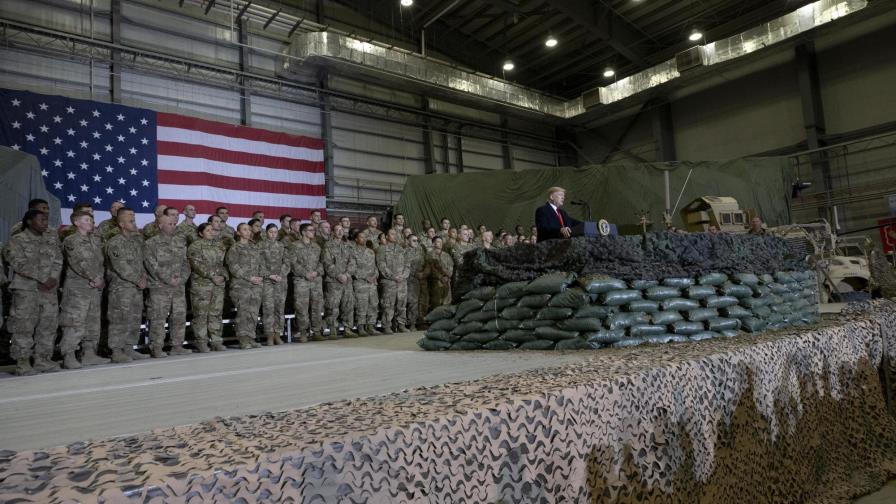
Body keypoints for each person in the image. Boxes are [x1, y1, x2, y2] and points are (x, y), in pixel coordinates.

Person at [7, 209, 64, 375]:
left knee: (48, 325)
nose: (45, 223)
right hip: (26, 290)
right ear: (30, 221)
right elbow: (17, 262)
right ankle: (23, 362)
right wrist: (42, 278)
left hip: (49, 290)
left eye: (46, 220)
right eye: (42, 220)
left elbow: (58, 260)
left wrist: (52, 278)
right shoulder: (18, 240)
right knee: (23, 326)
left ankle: (42, 359)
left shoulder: (50, 240)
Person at [59, 210, 110, 369]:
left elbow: (101, 263)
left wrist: (100, 279)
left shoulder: (95, 240)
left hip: (95, 288)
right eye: (87, 219)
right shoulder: (71, 240)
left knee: (92, 322)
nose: (91, 222)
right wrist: (93, 278)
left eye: (91, 220)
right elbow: (77, 262)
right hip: (78, 288)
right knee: (74, 322)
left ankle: (89, 354)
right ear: (76, 222)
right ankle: (69, 355)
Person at [105, 207, 150, 363]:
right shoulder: (115, 242)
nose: (134, 223)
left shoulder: (136, 241)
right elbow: (120, 266)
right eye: (130, 221)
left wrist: (143, 277)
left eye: (134, 220)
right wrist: (138, 279)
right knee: (119, 319)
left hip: (137, 288)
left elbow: (141, 262)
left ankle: (129, 349)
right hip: (121, 287)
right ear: (122, 224)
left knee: (135, 318)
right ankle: (117, 351)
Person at [143, 215, 191, 358]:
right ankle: (156, 347)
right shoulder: (151, 243)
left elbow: (186, 264)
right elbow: (151, 265)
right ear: (160, 225)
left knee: (179, 316)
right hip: (159, 287)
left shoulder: (180, 242)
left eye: (174, 223)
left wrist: (181, 279)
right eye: (169, 223)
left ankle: (177, 345)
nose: (172, 226)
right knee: (158, 317)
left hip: (178, 287)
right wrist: (168, 279)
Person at [188, 223, 229, 352]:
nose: (211, 232)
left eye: (212, 230)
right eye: (208, 230)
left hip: (217, 285)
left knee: (216, 313)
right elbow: (196, 264)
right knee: (201, 314)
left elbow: (223, 263)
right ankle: (201, 342)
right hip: (202, 285)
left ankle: (216, 341)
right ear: (200, 233)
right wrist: (213, 276)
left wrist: (224, 276)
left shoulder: (219, 246)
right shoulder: (195, 246)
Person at [226, 223, 264, 349]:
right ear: (238, 233)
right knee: (243, 313)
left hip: (255, 285)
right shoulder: (234, 248)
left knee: (253, 312)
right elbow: (233, 267)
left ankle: (251, 337)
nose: (248, 232)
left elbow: (260, 265)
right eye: (244, 229)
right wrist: (249, 277)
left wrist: (260, 277)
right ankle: (243, 339)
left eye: (249, 229)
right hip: (241, 286)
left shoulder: (255, 248)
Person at [289, 223, 324, 341]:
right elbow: (293, 263)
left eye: (313, 230)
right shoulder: (294, 246)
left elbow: (321, 263)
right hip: (301, 280)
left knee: (317, 306)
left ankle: (317, 330)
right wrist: (305, 273)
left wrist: (316, 272)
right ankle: (303, 331)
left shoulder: (317, 246)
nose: (313, 232)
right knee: (301, 306)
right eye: (310, 230)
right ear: (303, 232)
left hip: (315, 280)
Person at [322, 224, 357, 338]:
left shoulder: (349, 246)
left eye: (341, 230)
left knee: (348, 304)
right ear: (333, 232)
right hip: (333, 281)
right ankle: (333, 329)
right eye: (337, 230)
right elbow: (327, 263)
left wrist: (346, 274)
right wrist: (338, 275)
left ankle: (347, 329)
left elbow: (353, 262)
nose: (339, 232)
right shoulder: (328, 245)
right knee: (333, 306)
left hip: (347, 280)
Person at [259, 224, 288, 345]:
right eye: (271, 232)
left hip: (280, 281)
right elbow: (258, 263)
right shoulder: (260, 245)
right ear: (266, 233)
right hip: (267, 281)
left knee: (279, 309)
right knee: (268, 308)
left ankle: (278, 334)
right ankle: (269, 335)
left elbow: (287, 262)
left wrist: (280, 274)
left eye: (275, 232)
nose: (273, 234)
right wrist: (269, 275)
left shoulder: (281, 246)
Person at [376, 228, 410, 334]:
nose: (394, 236)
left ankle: (401, 324)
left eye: (396, 234)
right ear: (387, 236)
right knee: (388, 304)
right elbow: (381, 265)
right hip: (389, 281)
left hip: (401, 282)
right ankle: (387, 325)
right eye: (392, 234)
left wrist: (403, 276)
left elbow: (407, 264)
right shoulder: (382, 249)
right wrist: (392, 276)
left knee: (402, 304)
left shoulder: (401, 249)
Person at [349, 228, 379, 336]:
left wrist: (375, 275)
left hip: (372, 283)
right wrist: (365, 277)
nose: (364, 239)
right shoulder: (352, 251)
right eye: (361, 237)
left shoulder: (370, 251)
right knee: (362, 305)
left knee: (373, 304)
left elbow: (375, 267)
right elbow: (352, 269)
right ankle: (361, 327)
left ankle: (371, 326)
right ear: (356, 239)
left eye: (365, 237)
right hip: (360, 283)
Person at [405, 235, 429, 331]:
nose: (416, 242)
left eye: (417, 240)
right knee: (413, 302)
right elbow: (404, 266)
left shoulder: (421, 251)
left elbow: (427, 263)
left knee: (423, 301)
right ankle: (412, 323)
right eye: (413, 240)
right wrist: (415, 274)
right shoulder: (405, 252)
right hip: (411, 280)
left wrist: (424, 273)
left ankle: (422, 322)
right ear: (408, 241)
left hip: (422, 279)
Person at [428, 236, 453, 307]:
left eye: (441, 242)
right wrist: (440, 277)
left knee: (447, 303)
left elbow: (451, 268)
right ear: (433, 244)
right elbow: (430, 269)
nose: (441, 244)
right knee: (436, 303)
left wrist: (447, 277)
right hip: (435, 283)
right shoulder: (429, 255)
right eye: (438, 242)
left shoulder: (447, 255)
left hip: (447, 283)